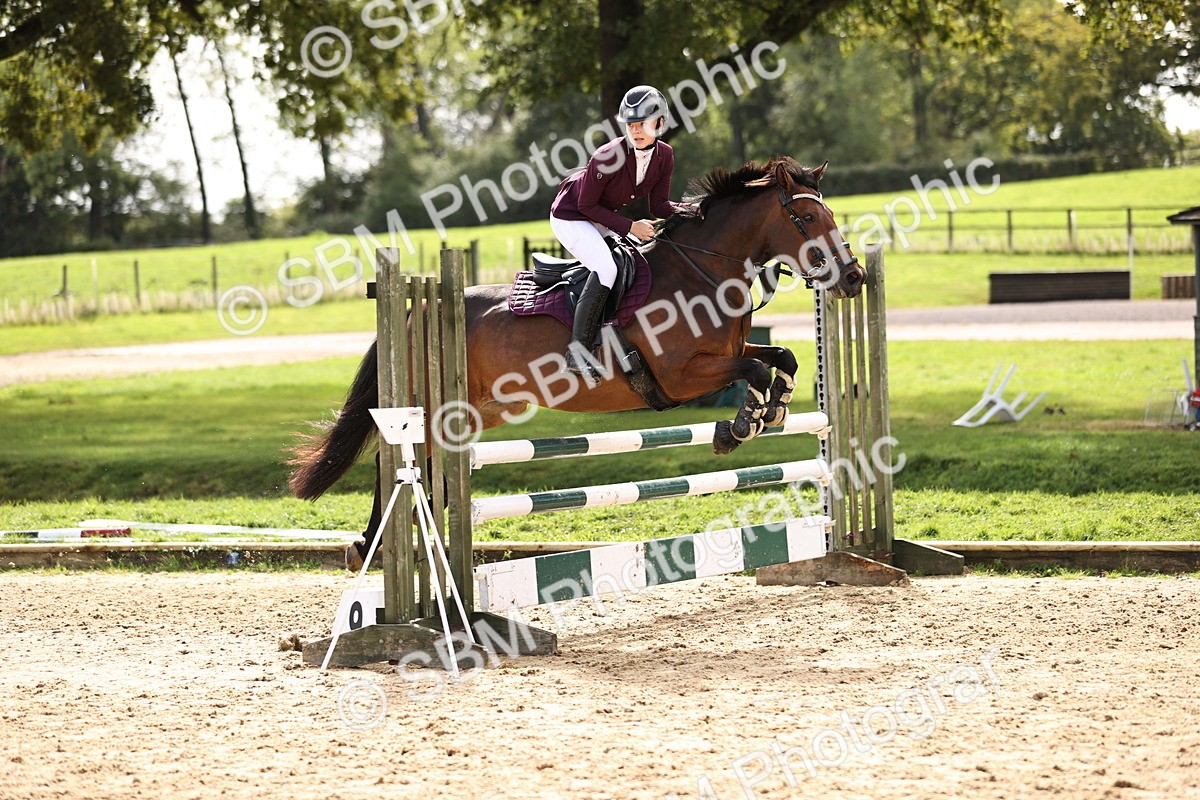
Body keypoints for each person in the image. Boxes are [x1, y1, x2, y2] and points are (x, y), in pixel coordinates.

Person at [550, 85, 694, 374]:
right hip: (571, 216)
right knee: (607, 269)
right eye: (631, 124)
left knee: (632, 260)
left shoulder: (665, 155)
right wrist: (630, 226)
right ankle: (576, 354)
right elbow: (586, 206)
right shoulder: (607, 155)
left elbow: (660, 206)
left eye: (643, 124)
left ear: (661, 124)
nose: (636, 130)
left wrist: (696, 210)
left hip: (599, 218)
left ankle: (614, 334)